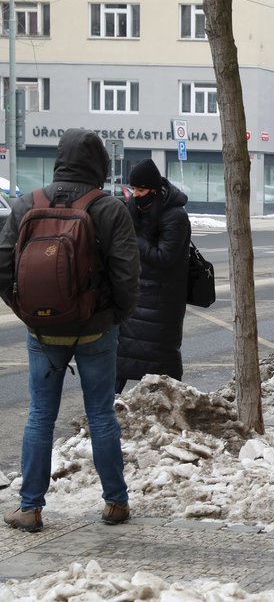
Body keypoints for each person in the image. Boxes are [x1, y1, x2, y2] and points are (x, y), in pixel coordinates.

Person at [0, 129, 140, 532]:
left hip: (42, 332)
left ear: (59, 160)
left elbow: (1, 264)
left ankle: (30, 508)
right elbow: (128, 276)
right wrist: (115, 316)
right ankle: (115, 502)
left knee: (40, 415)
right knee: (100, 413)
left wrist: (26, 311)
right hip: (96, 330)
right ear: (101, 165)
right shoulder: (109, 209)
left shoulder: (29, 203)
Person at [115, 159, 191, 395]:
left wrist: (134, 238)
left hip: (163, 298)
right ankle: (113, 405)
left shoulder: (175, 216)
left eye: (141, 190)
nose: (135, 195)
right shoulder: (134, 208)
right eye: (133, 189)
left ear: (154, 190)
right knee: (125, 354)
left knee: (160, 357)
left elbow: (164, 257)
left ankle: (169, 401)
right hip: (136, 293)